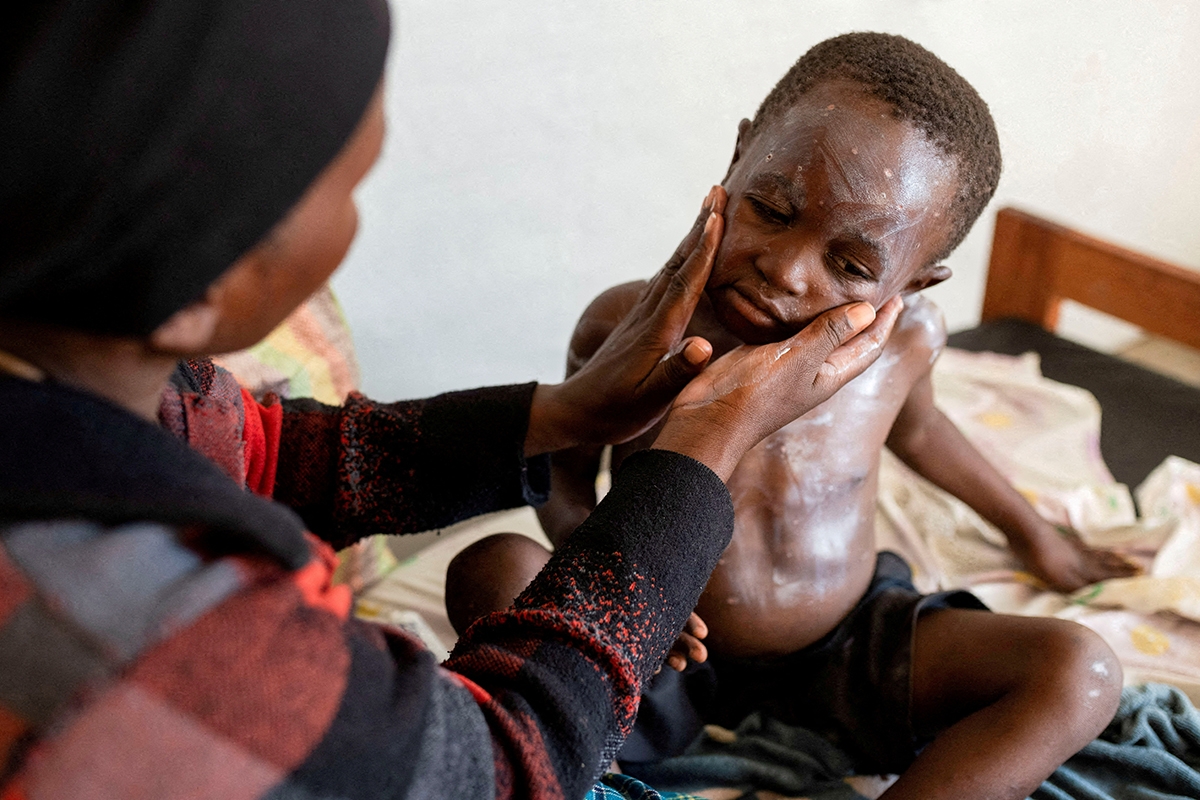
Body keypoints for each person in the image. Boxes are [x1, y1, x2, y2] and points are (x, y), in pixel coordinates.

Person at [0, 3, 901, 799]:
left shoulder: (85, 379)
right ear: (204, 286)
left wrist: (559, 414)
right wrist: (699, 454)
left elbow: (259, 453)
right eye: (351, 190)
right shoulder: (176, 641)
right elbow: (504, 770)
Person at [447, 33, 1139, 800]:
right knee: (494, 567)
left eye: (851, 265)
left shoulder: (907, 342)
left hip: (845, 645)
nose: (784, 269)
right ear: (740, 154)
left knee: (1081, 671)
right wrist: (613, 588)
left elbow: (922, 433)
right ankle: (586, 774)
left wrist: (1033, 534)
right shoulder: (634, 327)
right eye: (772, 209)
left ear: (915, 283)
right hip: (657, 643)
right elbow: (563, 475)